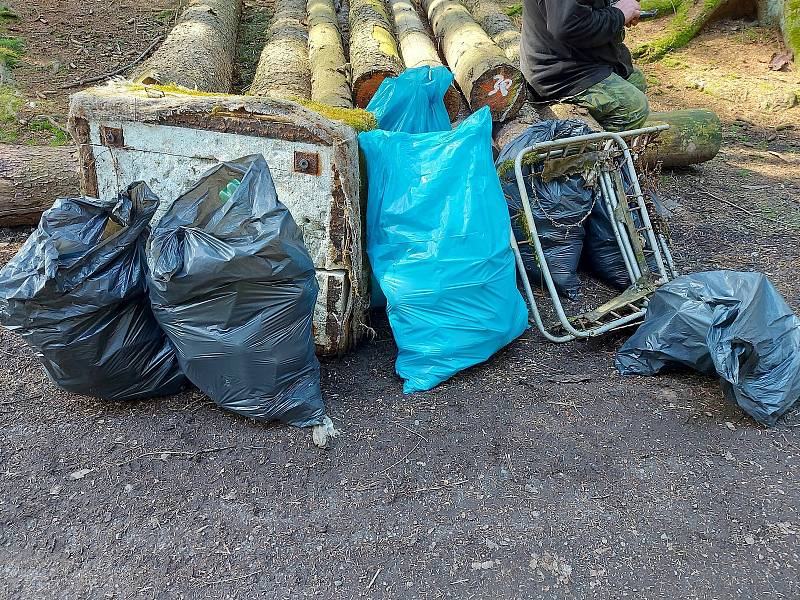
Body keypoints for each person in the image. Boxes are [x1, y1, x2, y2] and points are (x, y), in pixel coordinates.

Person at [520, 0, 650, 132]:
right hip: (559, 72)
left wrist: (622, 9)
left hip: (583, 59)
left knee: (635, 79)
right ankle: (592, 150)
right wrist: (618, 14)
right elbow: (568, 26)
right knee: (633, 108)